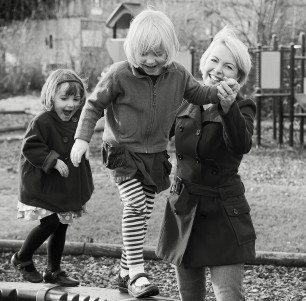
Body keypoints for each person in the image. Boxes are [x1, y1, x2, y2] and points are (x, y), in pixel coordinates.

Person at [70, 9, 240, 299]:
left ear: (169, 50)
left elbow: (199, 94)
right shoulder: (119, 74)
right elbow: (93, 105)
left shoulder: (177, 75)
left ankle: (123, 271)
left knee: (143, 210)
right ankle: (136, 272)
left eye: (159, 54)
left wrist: (220, 92)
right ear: (133, 50)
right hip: (122, 152)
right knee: (135, 203)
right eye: (144, 54)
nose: (151, 61)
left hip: (155, 156)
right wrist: (81, 139)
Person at [156, 25, 257, 301]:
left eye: (229, 66)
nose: (219, 70)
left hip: (223, 214)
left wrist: (228, 108)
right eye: (214, 60)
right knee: (189, 296)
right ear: (204, 63)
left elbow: (240, 144)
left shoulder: (243, 107)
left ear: (239, 76)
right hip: (184, 210)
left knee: (228, 295)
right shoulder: (183, 102)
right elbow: (155, 137)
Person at [11, 69, 94, 286]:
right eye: (64, 98)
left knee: (61, 225)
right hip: (43, 184)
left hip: (63, 186)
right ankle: (22, 258)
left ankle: (53, 270)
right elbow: (30, 146)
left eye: (76, 99)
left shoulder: (78, 120)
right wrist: (53, 160)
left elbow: (80, 138)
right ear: (51, 97)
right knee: (49, 223)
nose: (71, 104)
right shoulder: (42, 120)